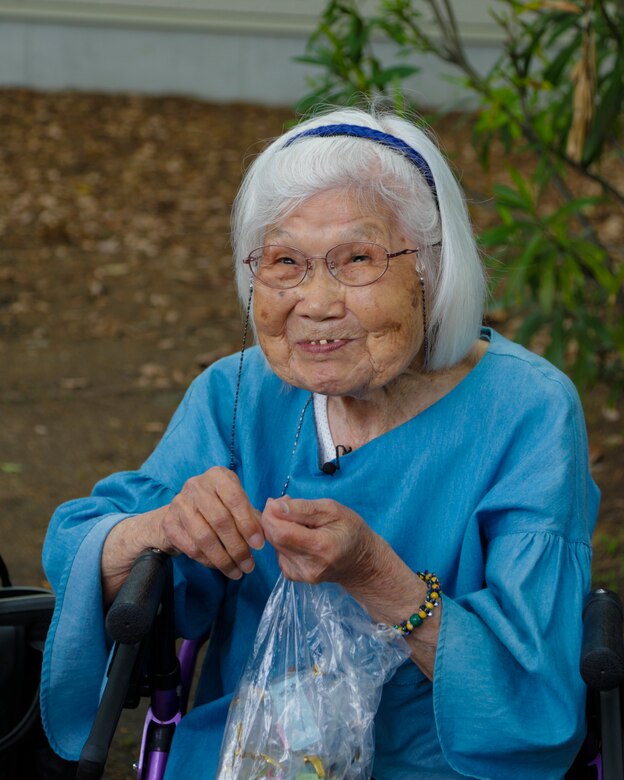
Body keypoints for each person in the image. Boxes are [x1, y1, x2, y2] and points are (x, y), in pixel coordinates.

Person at [40, 106, 599, 779]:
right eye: (285, 263)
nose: (316, 301)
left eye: (356, 259)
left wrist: (377, 577)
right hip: (252, 758)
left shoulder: (526, 410)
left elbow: (531, 696)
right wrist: (162, 527)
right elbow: (79, 548)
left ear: (430, 267)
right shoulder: (236, 394)